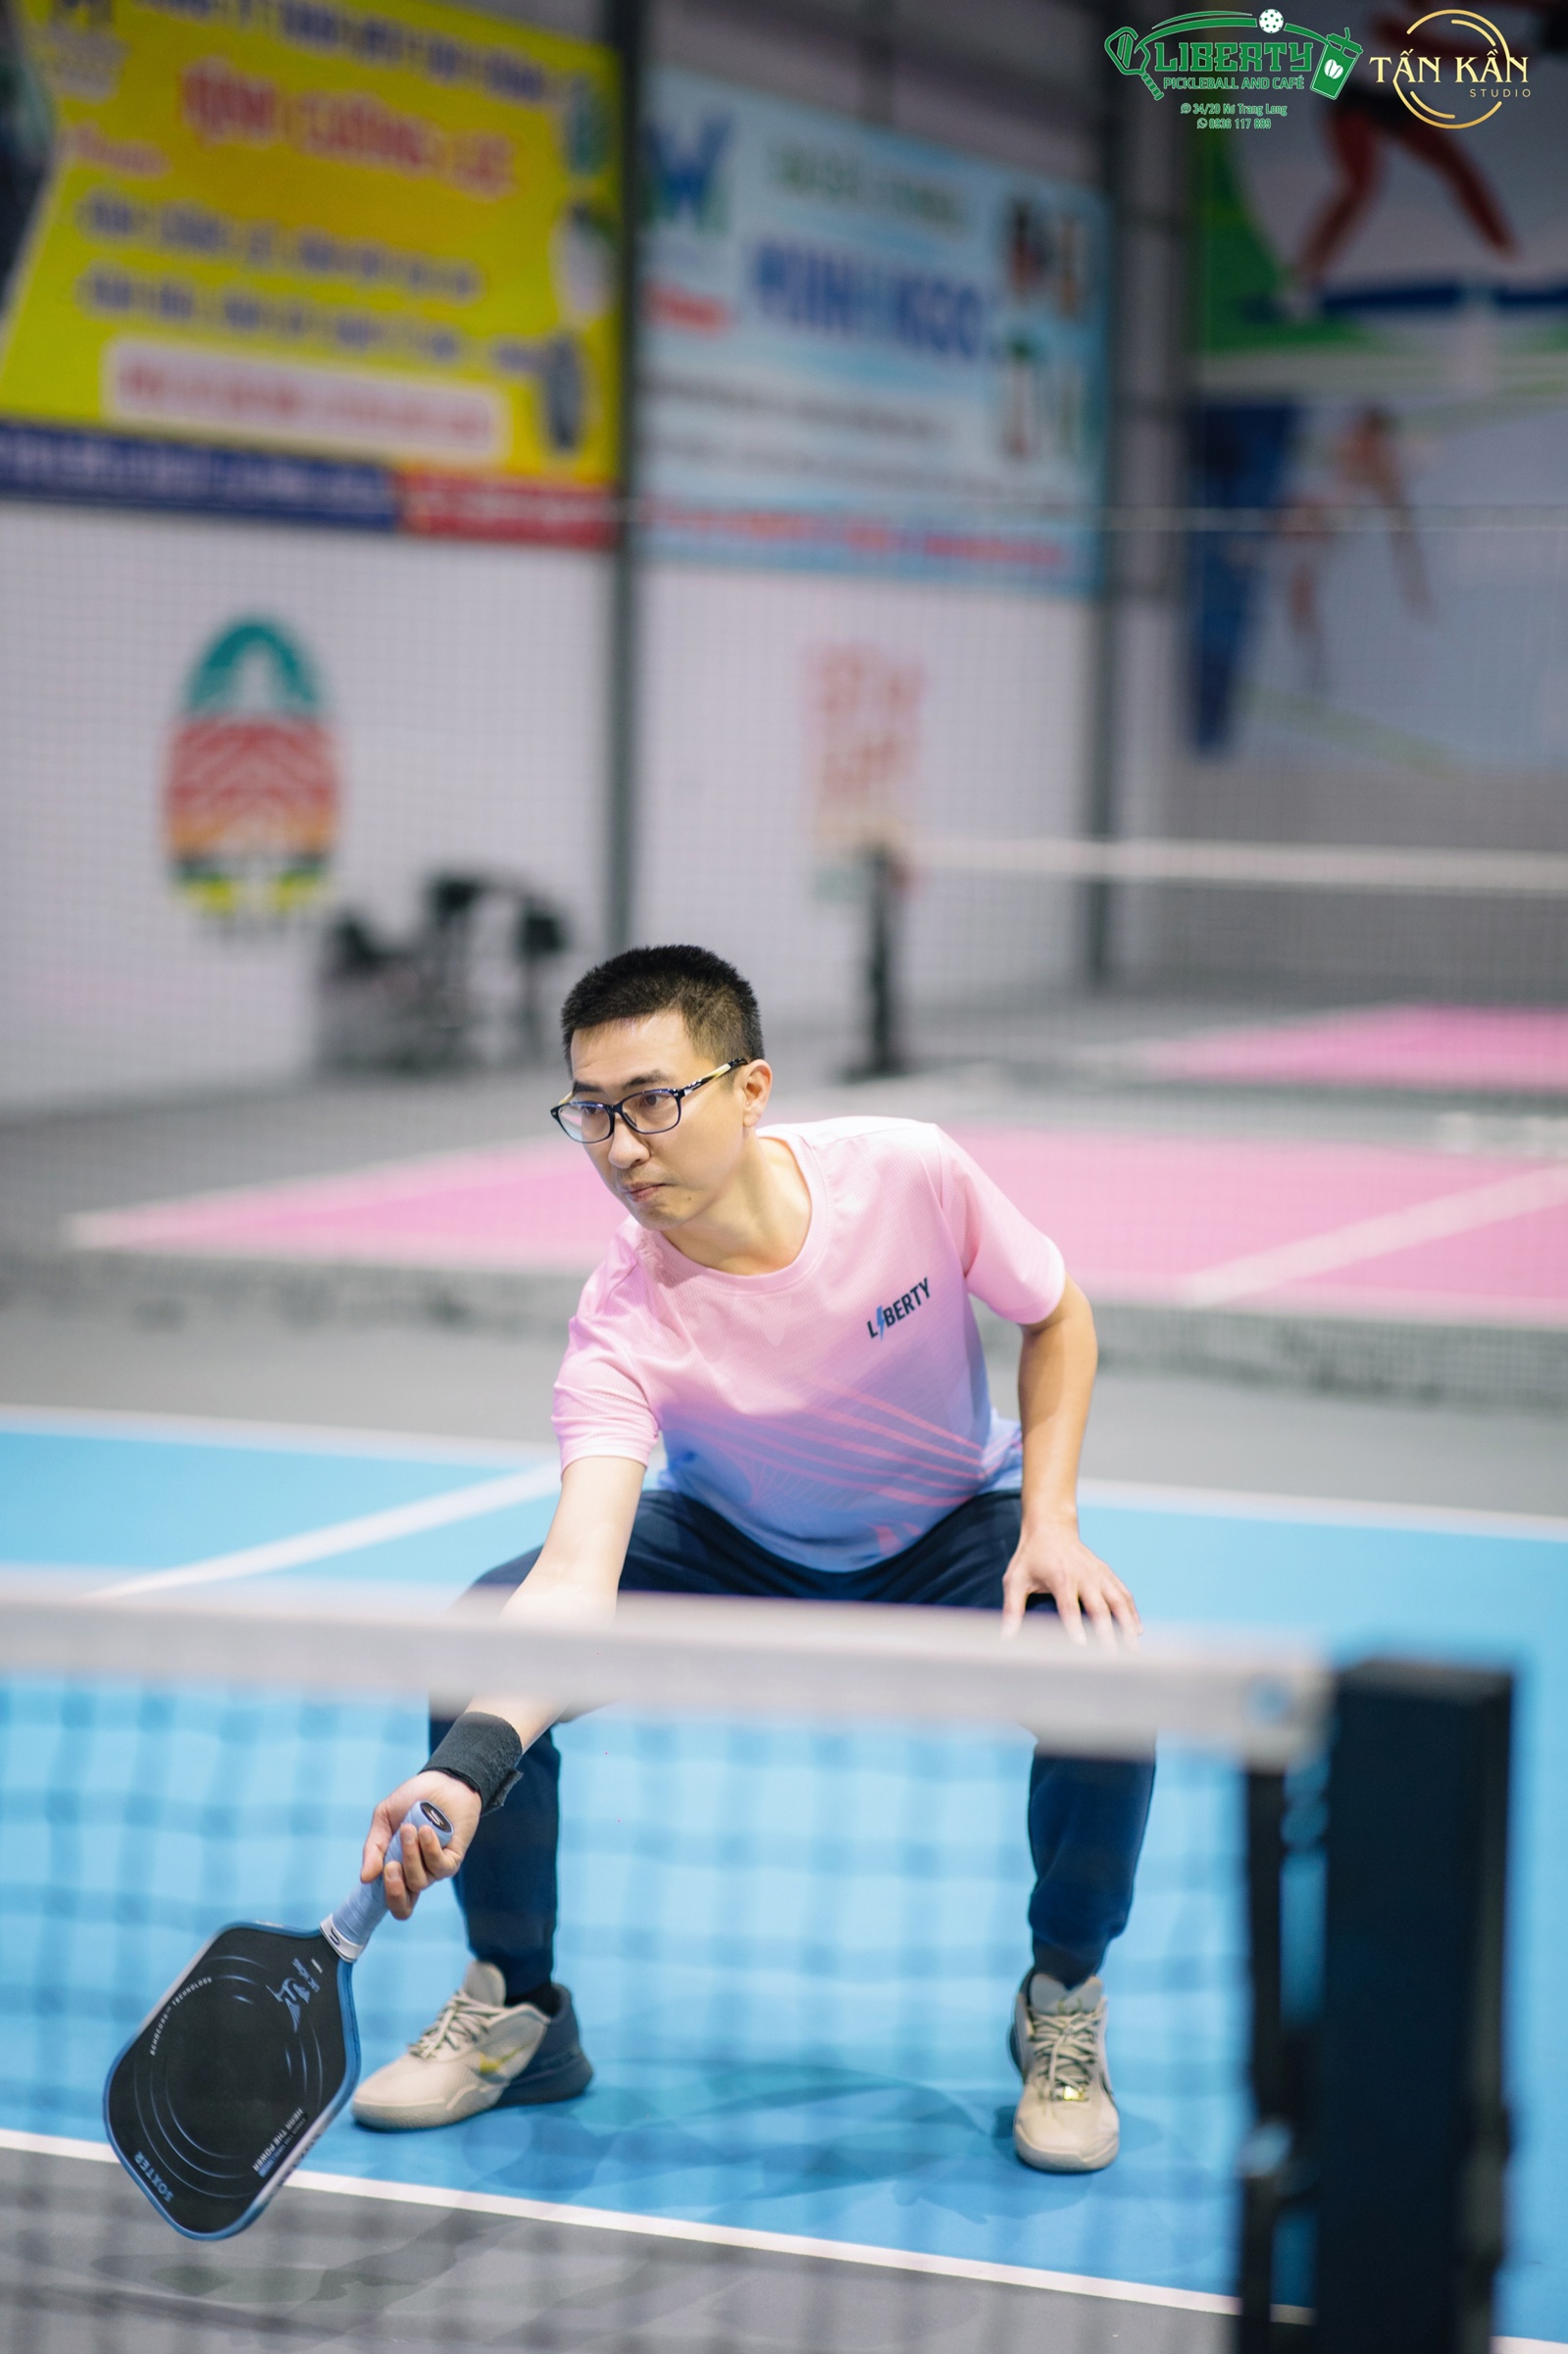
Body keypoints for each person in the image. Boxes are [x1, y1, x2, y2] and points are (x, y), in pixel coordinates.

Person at [352, 946, 1152, 2175]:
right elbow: (573, 1577)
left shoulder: (909, 1173)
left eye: (653, 1101)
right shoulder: (620, 1319)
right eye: (592, 1112)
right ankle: (519, 2006)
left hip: (946, 1528)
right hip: (731, 1543)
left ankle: (1063, 1996)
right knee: (483, 1638)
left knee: (1105, 1668)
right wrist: (468, 1766)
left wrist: (1050, 1520)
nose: (623, 1146)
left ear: (752, 1088)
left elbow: (1057, 1314)